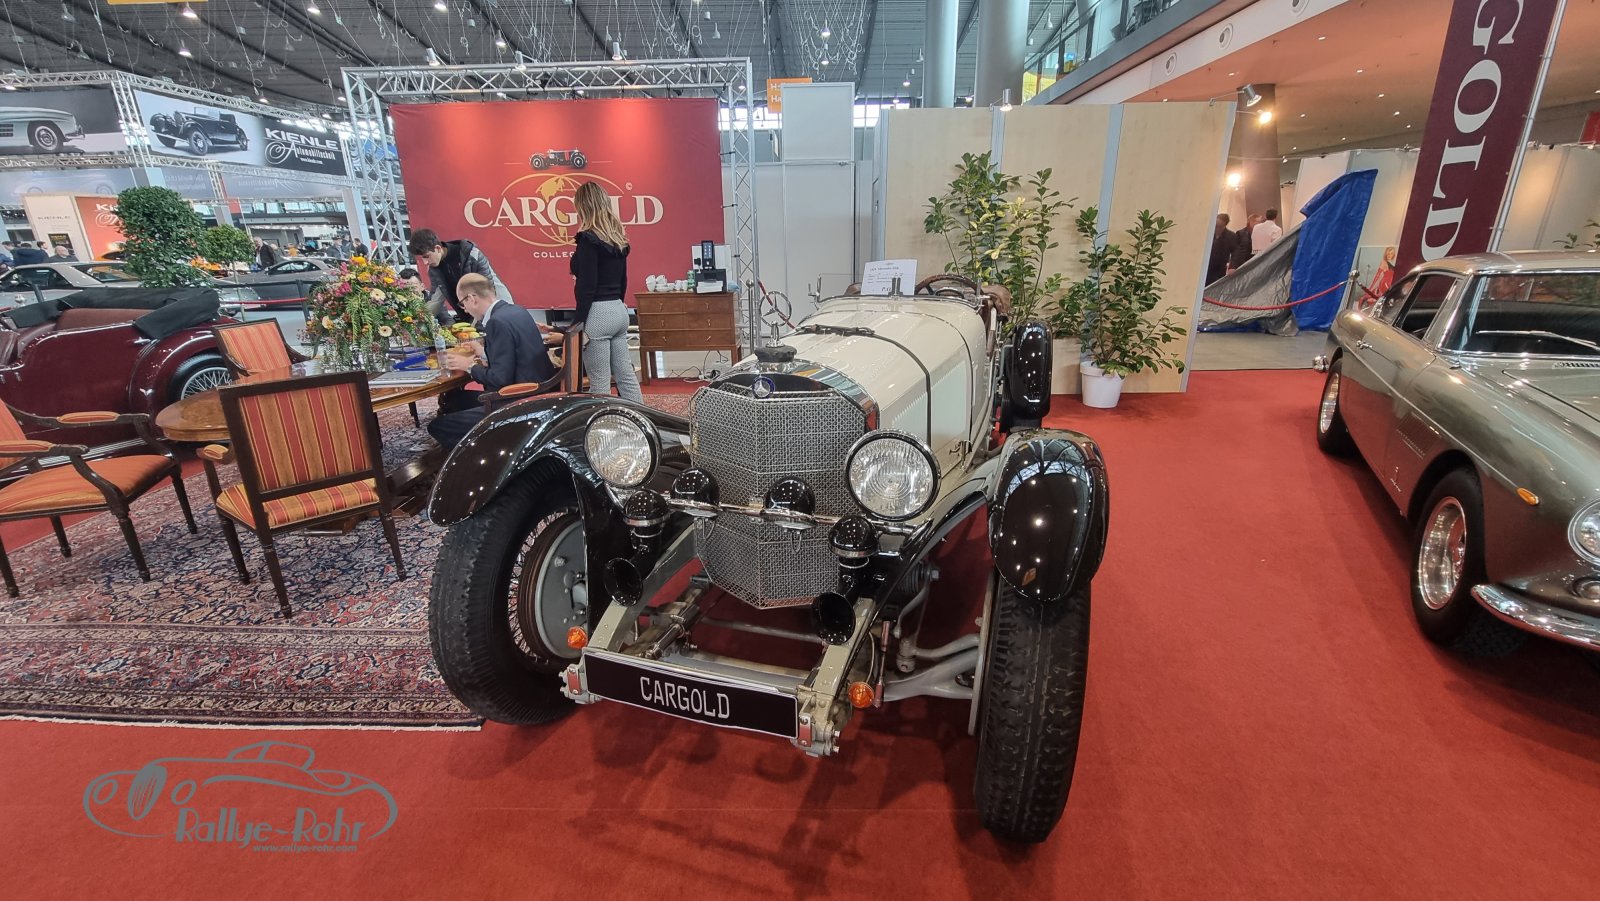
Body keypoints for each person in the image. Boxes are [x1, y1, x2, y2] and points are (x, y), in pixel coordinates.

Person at [428, 274, 555, 450]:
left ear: (472, 299)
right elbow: (515, 354)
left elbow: (500, 378)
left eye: (462, 303)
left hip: (519, 399)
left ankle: (486, 454)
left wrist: (469, 366)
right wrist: (483, 352)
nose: (465, 310)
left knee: (437, 426)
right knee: (455, 399)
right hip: (539, 388)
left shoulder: (496, 322)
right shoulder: (517, 310)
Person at [570, 181, 642, 404]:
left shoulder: (588, 240)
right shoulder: (617, 239)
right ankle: (642, 418)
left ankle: (602, 426)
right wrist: (618, 305)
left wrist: (578, 323)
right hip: (618, 311)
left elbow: (587, 286)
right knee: (626, 375)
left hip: (597, 314)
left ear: (583, 206)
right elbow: (623, 280)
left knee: (599, 381)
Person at [409, 228, 511, 324]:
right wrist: (416, 321)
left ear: (438, 248)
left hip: (499, 311)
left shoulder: (472, 254)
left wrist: (477, 325)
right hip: (473, 315)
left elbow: (487, 293)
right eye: (422, 258)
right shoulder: (435, 269)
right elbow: (435, 300)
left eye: (427, 256)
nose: (425, 262)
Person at [1207, 214, 1236, 285]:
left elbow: (1235, 252)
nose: (1216, 228)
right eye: (1215, 225)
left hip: (1219, 270)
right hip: (1206, 266)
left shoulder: (1231, 236)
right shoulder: (1208, 232)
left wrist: (1232, 267)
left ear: (1225, 225)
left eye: (1219, 226)